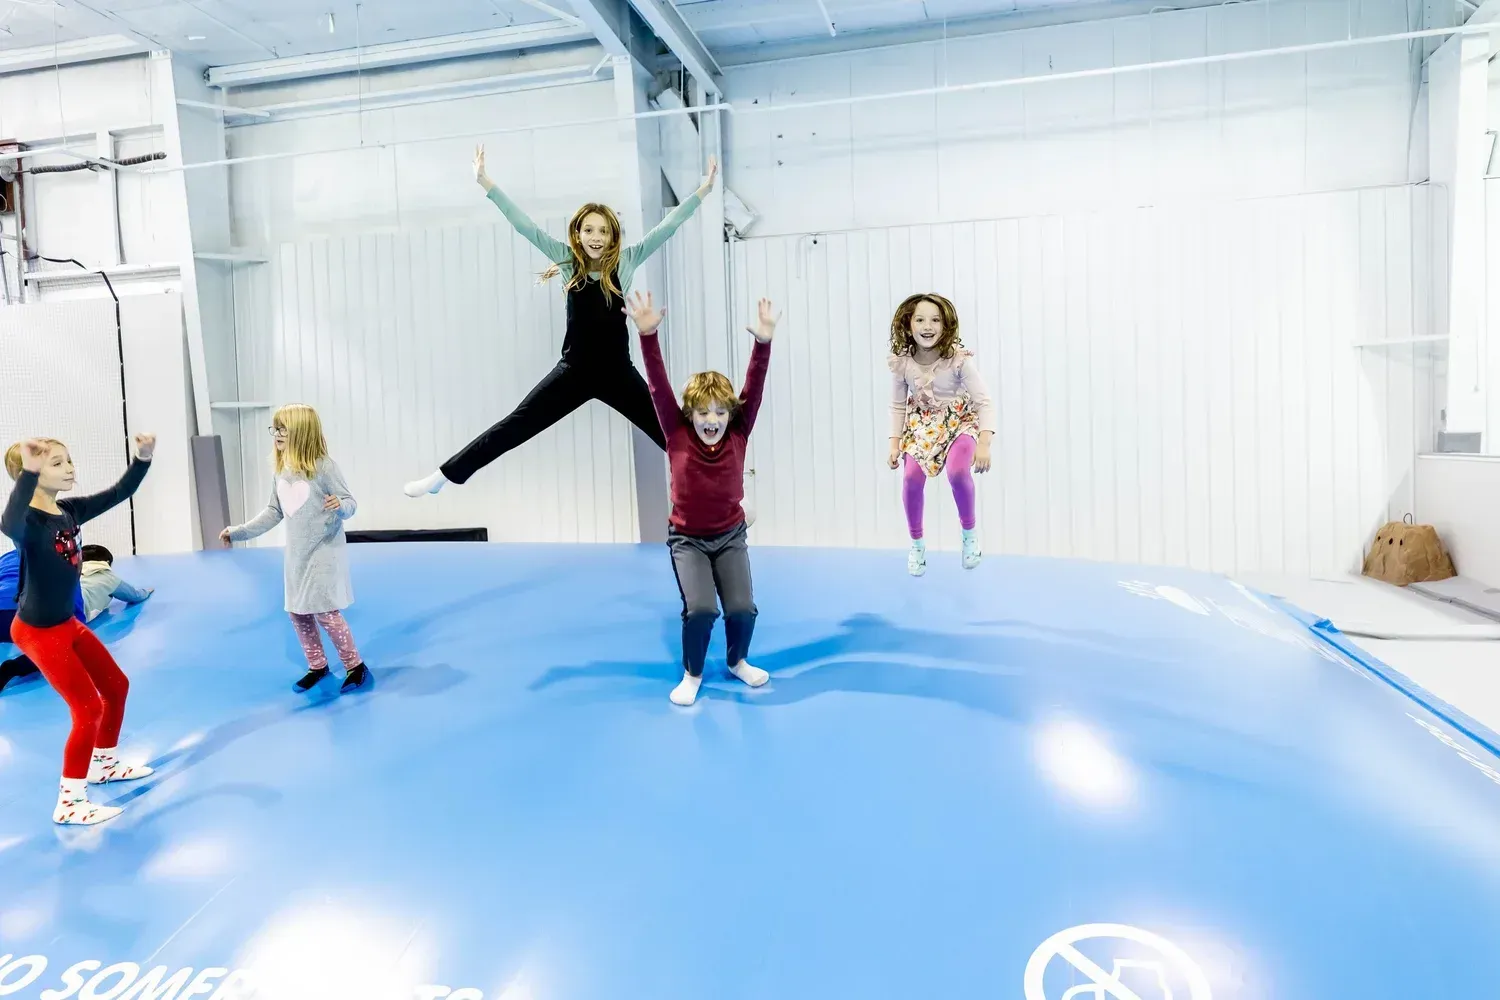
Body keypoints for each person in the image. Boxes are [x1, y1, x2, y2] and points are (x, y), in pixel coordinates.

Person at [402, 146, 718, 498]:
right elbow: (525, 226)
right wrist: (485, 183)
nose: (596, 237)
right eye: (588, 230)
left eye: (603, 231)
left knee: (670, 431)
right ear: (578, 234)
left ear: (613, 235)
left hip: (618, 374)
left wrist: (703, 191)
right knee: (514, 427)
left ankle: (728, 489)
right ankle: (444, 475)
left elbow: (669, 226)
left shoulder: (627, 261)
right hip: (572, 373)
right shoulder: (569, 262)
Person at [627, 290, 777, 707]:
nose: (712, 420)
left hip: (730, 535)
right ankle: (692, 673)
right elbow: (657, 384)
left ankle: (737, 660)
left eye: (720, 412)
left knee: (743, 608)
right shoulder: (675, 434)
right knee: (701, 610)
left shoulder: (738, 434)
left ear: (731, 415)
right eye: (703, 412)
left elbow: (755, 387)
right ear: (690, 414)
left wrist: (762, 344)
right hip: (688, 540)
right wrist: (648, 337)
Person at [3, 434, 156, 825]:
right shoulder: (29, 523)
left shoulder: (68, 511)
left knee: (116, 687)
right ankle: (69, 801)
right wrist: (31, 470)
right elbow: (8, 521)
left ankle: (103, 764)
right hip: (38, 631)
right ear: (31, 474)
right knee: (86, 707)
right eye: (57, 463)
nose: (70, 468)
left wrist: (142, 457)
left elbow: (121, 491)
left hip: (66, 623)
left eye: (68, 460)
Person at [221, 404, 369, 694]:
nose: (276, 434)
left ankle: (355, 665)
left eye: (282, 430)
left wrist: (340, 506)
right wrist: (238, 532)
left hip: (324, 552)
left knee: (326, 612)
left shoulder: (324, 466)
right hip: (297, 555)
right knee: (298, 613)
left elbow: (350, 502)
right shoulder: (281, 471)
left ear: (300, 433)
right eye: (274, 429)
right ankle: (317, 665)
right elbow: (273, 512)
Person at [886, 293, 995, 576]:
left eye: (935, 320)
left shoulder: (957, 360)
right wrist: (894, 443)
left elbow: (983, 401)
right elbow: (898, 405)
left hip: (959, 420)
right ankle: (917, 544)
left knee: (958, 472)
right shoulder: (903, 363)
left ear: (946, 325)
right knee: (910, 478)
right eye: (920, 319)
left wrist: (984, 443)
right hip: (922, 426)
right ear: (908, 324)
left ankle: (969, 535)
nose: (928, 326)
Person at [0, 547, 86, 692]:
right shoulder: (66, 561)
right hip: (30, 618)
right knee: (56, 651)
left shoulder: (8, 557)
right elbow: (73, 605)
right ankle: (14, 667)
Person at [79, 544, 153, 622]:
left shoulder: (72, 574)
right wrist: (146, 591)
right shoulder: (108, 578)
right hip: (76, 612)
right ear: (107, 563)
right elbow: (135, 596)